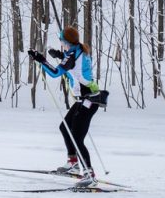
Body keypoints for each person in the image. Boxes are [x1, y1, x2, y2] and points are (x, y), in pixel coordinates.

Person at [28, 26, 109, 188]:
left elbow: (55, 73)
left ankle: (89, 174)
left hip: (89, 100)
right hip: (83, 99)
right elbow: (73, 63)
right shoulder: (79, 49)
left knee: (77, 137)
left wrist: (41, 59)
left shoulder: (72, 53)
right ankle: (73, 163)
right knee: (65, 128)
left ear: (66, 42)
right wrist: (60, 55)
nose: (61, 44)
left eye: (61, 41)